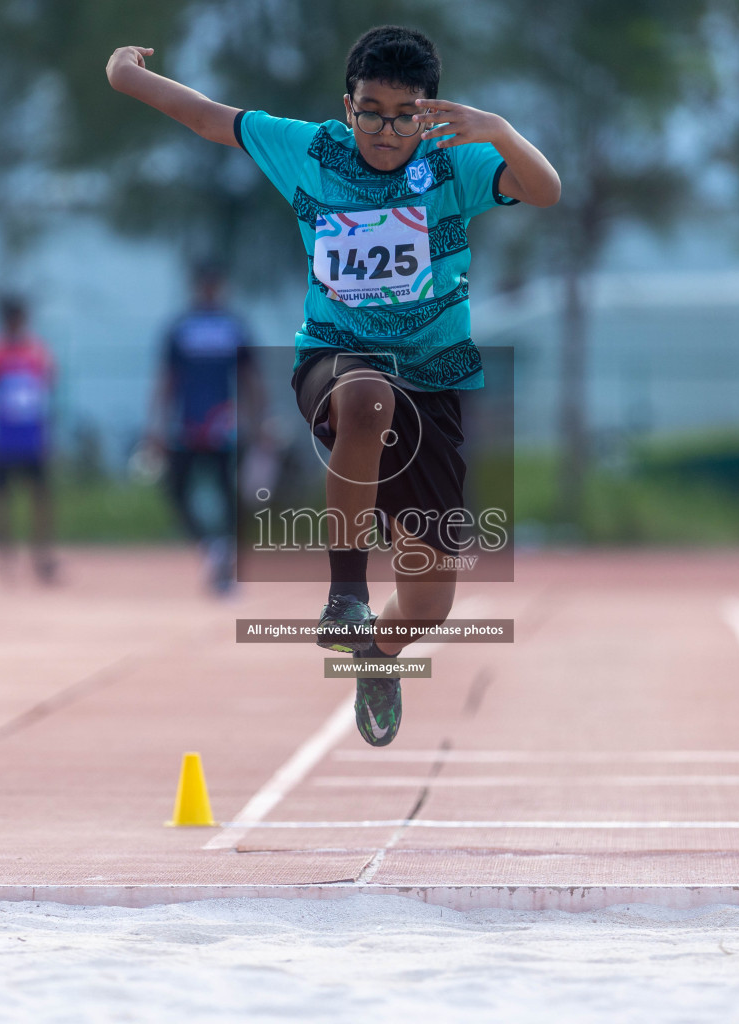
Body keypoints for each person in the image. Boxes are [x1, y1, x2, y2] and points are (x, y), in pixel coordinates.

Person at [107, 25, 560, 745]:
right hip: (334, 361)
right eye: (370, 110)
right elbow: (206, 116)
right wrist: (123, 74)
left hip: (434, 381)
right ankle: (345, 594)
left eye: (403, 113)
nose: (385, 128)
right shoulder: (310, 150)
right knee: (366, 395)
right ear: (345, 107)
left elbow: (545, 189)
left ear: (428, 112)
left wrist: (499, 130)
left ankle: (376, 657)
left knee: (429, 604)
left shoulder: (456, 163)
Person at [146, 263, 262, 593]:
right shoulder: (181, 327)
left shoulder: (233, 326)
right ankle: (212, 546)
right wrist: (155, 424)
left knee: (230, 495)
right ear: (197, 287)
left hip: (224, 425)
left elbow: (250, 378)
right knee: (177, 489)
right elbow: (168, 379)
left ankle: (227, 561)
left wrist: (257, 420)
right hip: (187, 424)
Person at [0, 293, 58, 583]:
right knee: (1, 499)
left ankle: (41, 554)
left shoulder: (37, 352)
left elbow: (47, 394)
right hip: (2, 440)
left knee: (40, 498)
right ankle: (5, 556)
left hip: (31, 438)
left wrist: (49, 434)